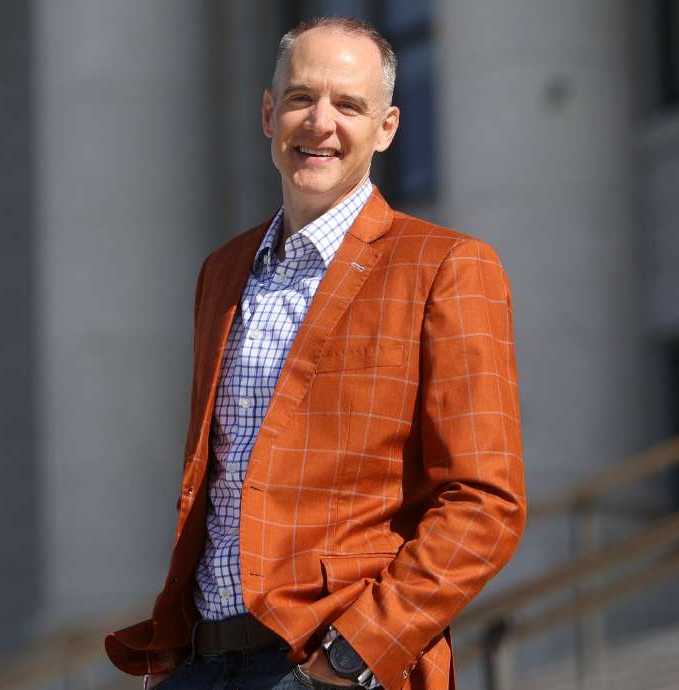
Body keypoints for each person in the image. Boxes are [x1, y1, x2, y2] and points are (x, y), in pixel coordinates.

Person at [106, 16, 525, 690]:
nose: (320, 122)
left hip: (325, 666)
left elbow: (485, 504)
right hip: (203, 662)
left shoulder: (446, 267)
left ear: (385, 127)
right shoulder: (223, 271)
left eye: (348, 105)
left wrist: (354, 655)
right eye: (301, 98)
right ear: (269, 113)